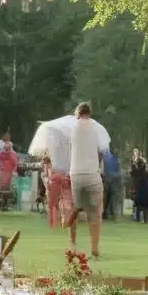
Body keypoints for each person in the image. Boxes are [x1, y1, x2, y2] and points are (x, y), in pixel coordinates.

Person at [66, 102, 103, 257]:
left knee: (75, 208)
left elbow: (70, 148)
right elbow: (102, 151)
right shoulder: (97, 128)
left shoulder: (72, 127)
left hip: (76, 174)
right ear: (89, 113)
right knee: (95, 213)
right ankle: (94, 248)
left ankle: (73, 243)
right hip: (92, 175)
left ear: (79, 112)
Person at [47, 134, 73, 230]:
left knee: (54, 204)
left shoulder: (53, 150)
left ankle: (54, 223)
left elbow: (50, 167)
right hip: (65, 178)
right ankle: (64, 222)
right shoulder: (70, 150)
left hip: (58, 178)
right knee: (66, 202)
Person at [101, 148, 122, 220]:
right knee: (110, 198)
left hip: (108, 180)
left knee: (106, 198)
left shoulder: (105, 159)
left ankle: (107, 214)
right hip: (111, 180)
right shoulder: (114, 160)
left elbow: (102, 171)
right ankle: (112, 215)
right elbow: (118, 172)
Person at [129, 149, 147, 221]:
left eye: (136, 152)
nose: (135, 154)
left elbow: (142, 170)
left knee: (140, 198)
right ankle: (135, 215)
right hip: (134, 181)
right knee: (134, 198)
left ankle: (140, 215)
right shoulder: (132, 161)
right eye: (134, 152)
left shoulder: (141, 161)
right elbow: (131, 171)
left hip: (141, 181)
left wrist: (136, 165)